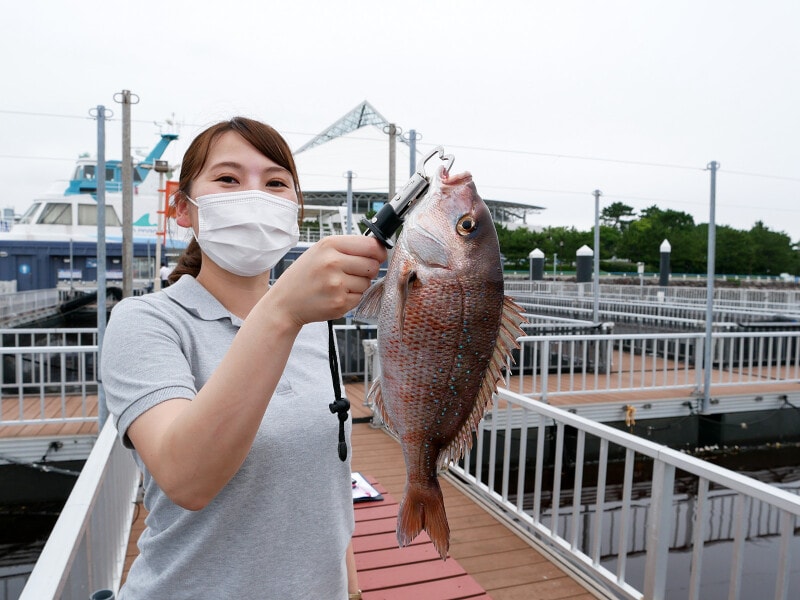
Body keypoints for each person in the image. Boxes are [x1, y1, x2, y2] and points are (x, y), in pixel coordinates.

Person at [100, 117, 386, 599]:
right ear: (183, 209)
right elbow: (187, 479)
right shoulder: (145, 321)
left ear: (296, 209)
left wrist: (350, 588)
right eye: (228, 179)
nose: (255, 196)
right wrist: (282, 310)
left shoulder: (314, 323)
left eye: (276, 183)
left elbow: (327, 481)